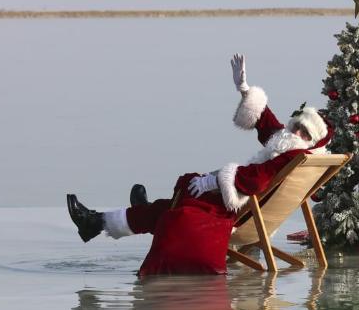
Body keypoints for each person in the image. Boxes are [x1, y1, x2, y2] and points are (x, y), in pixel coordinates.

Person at [66, 54, 333, 276]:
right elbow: (270, 129)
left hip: (242, 210)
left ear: (312, 142)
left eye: (304, 133)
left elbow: (256, 180)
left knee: (179, 203)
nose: (296, 133)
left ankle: (102, 221)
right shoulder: (294, 151)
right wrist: (245, 91)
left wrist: (216, 180)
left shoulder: (291, 156)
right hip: (250, 206)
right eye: (296, 126)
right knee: (174, 200)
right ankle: (102, 221)